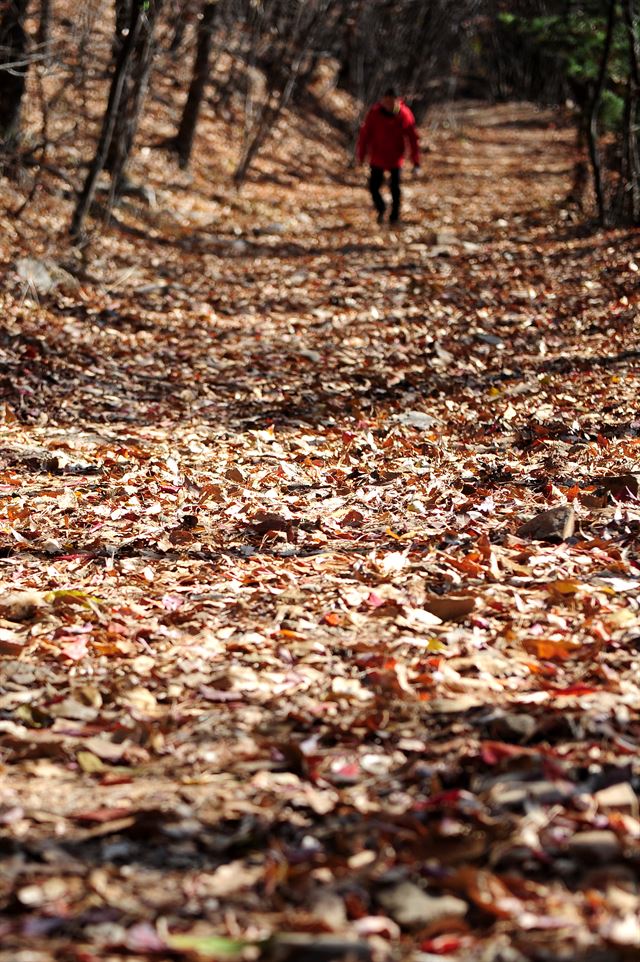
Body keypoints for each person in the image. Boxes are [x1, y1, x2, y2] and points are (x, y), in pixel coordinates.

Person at [356, 88, 420, 225]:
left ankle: (394, 216)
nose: (388, 104)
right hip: (377, 157)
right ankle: (381, 208)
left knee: (395, 188)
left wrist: (416, 162)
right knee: (373, 187)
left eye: (391, 101)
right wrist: (361, 156)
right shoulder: (374, 113)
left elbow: (413, 138)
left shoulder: (404, 115)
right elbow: (364, 135)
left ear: (397, 100)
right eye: (385, 101)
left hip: (395, 158)